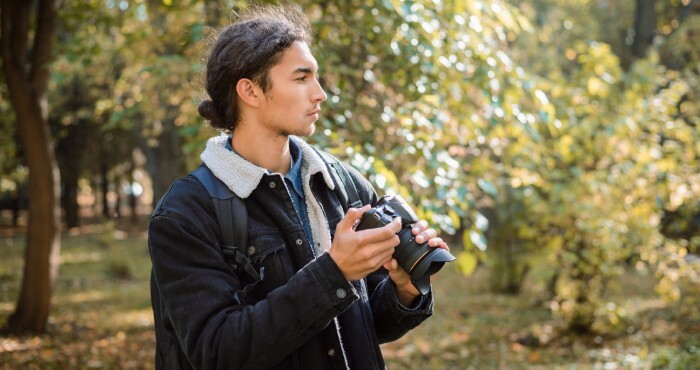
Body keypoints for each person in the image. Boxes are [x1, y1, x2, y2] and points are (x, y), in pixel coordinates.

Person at [148, 4, 450, 369]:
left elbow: (362, 326)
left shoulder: (343, 183)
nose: (320, 93)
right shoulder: (186, 214)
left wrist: (404, 288)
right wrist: (334, 272)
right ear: (250, 91)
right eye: (302, 78)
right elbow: (217, 351)